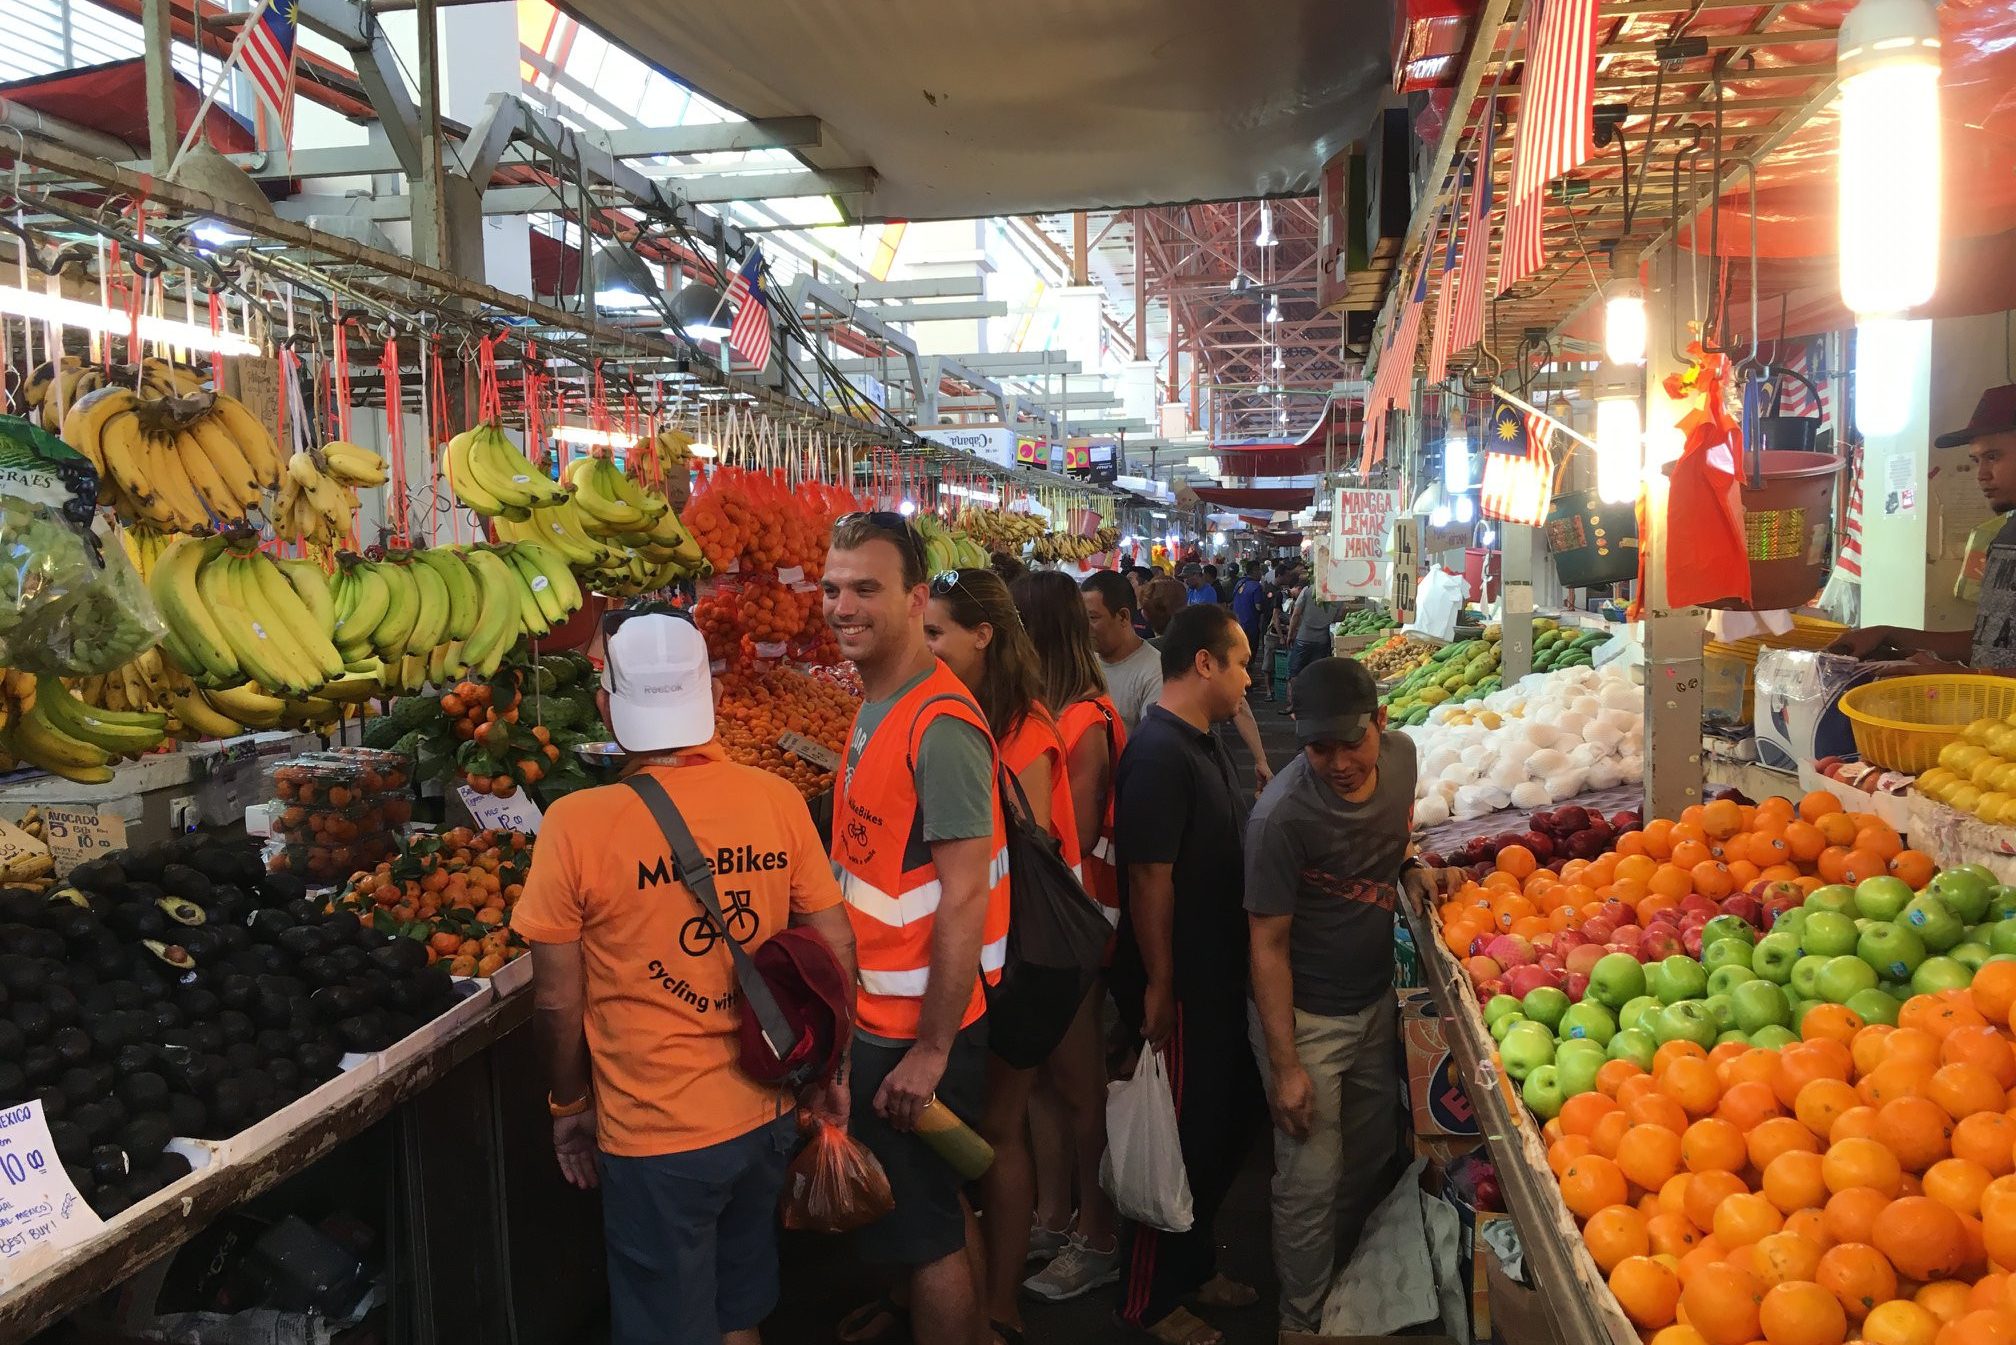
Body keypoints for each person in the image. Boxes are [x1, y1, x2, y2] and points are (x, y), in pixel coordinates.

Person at [514, 609, 858, 1345]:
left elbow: (554, 998)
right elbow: (834, 946)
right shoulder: (776, 799)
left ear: (608, 706)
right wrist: (835, 1066)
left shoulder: (575, 823)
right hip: (766, 1111)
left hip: (656, 1134)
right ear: (707, 701)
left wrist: (567, 1100)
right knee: (740, 1311)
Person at [823, 514, 1011, 1345]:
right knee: (930, 1210)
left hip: (918, 1030)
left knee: (931, 1232)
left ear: (915, 597)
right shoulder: (878, 701)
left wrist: (932, 1049)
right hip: (881, 1015)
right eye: (833, 587)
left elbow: (965, 896)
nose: (842, 606)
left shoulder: (940, 725)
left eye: (866, 588)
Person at [1244, 658, 1455, 1333]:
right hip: (1306, 1018)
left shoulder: (1403, 759)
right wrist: (1286, 1065)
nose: (1336, 761)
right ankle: (1301, 1321)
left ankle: (1353, 1285)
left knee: (1366, 1157)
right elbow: (1267, 945)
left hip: (1372, 1002)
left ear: (1381, 723)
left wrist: (1411, 864)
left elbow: (1391, 839)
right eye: (1318, 746)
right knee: (1309, 1179)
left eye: (1350, 741)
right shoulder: (1281, 817)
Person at [920, 566, 1080, 1345]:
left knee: (998, 1130)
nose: (924, 648)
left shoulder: (1023, 730)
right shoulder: (960, 715)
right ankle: (958, 1290)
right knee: (982, 1129)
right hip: (981, 958)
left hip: (1018, 961)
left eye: (935, 633)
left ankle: (998, 1303)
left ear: (982, 636)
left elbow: (1030, 849)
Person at [1110, 605, 1264, 1345]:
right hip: (1180, 985)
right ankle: (1147, 1296)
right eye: (1239, 663)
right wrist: (1159, 984)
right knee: (1170, 1139)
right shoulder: (1158, 754)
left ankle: (1195, 1264)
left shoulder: (1203, 741)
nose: (1248, 678)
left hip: (1216, 974)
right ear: (1203, 663)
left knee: (1220, 1125)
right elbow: (1147, 878)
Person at [1010, 571, 1125, 1303]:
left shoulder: (1085, 719)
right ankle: (1051, 1213)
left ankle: (1100, 1230)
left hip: (1072, 925)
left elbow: (1065, 839)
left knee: (1081, 1084)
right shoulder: (1040, 714)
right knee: (1043, 1080)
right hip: (1037, 926)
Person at [1827, 386, 2016, 673]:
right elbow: (1993, 644)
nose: (1981, 474)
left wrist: (1958, 676)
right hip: (1992, 716)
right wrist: (1888, 635)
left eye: (1993, 457)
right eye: (1976, 460)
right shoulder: (2006, 535)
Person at [1082, 570, 1165, 731]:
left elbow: (1151, 746)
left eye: (1093, 618)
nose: (1084, 626)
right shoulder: (1085, 663)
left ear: (1123, 617)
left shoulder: (1154, 673)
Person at [1279, 580, 1339, 715]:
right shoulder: (1338, 595)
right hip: (1323, 640)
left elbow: (1296, 614)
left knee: (1294, 673)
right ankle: (1314, 706)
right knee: (1317, 674)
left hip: (1303, 639)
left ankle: (1294, 705)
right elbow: (1339, 616)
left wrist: (1290, 634)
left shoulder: (1308, 591)